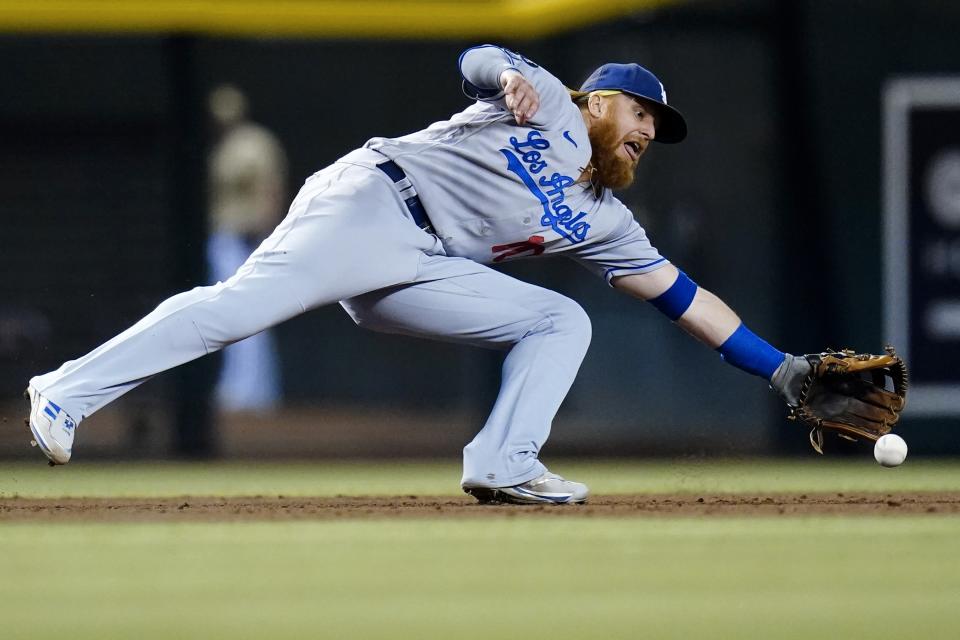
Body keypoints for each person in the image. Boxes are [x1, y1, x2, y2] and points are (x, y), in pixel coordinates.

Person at [25, 44, 808, 505]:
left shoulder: (607, 221)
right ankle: (65, 391)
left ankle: (504, 461)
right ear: (598, 101)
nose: (645, 133)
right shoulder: (552, 107)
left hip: (420, 261)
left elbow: (686, 301)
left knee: (560, 321)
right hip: (372, 201)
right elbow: (478, 58)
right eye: (640, 115)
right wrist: (506, 76)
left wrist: (784, 372)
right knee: (235, 312)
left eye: (656, 129)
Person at [206, 84, 287, 412]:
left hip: (246, 237)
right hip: (225, 235)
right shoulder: (223, 145)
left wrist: (269, 234)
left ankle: (252, 392)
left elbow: (271, 190)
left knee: (247, 313)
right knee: (233, 312)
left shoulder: (254, 142)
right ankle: (247, 388)